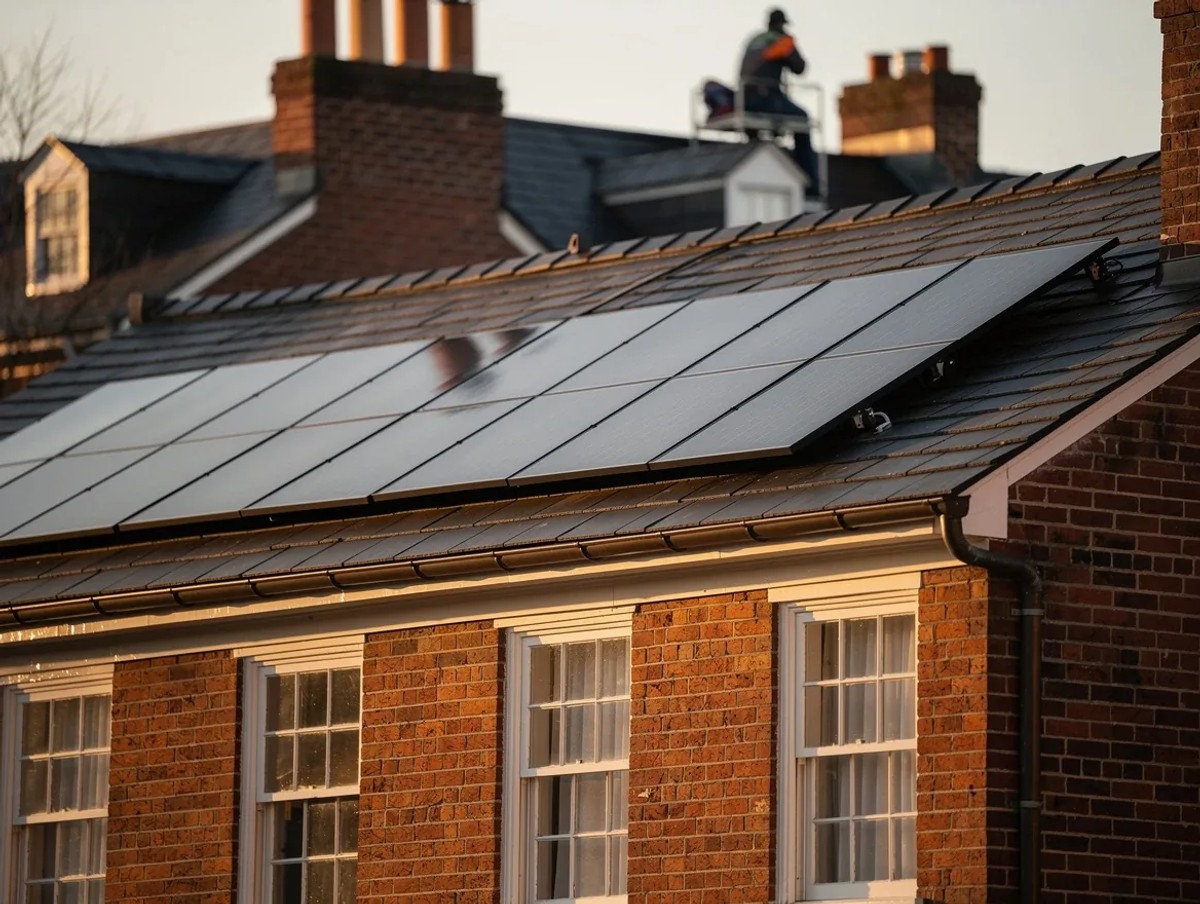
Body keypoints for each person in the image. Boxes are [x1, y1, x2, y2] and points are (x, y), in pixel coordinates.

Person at [739, 8, 819, 195]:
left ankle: (760, 169)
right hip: (767, 98)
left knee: (761, 132)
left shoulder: (754, 40)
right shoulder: (781, 41)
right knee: (802, 120)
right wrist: (790, 44)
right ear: (782, 24)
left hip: (743, 101)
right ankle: (810, 183)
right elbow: (799, 67)